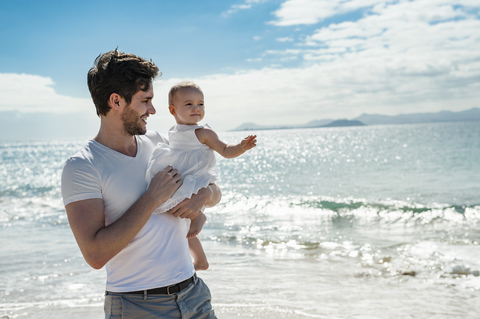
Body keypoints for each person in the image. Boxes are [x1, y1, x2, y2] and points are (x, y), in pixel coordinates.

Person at [61, 49, 221, 319]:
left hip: (194, 296)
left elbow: (215, 189)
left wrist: (201, 198)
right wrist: (151, 198)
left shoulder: (162, 143)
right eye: (145, 100)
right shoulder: (82, 166)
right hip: (138, 306)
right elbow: (95, 255)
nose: (153, 110)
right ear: (116, 101)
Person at [146, 81, 257, 271]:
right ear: (173, 110)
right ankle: (200, 260)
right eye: (189, 104)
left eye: (201, 104)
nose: (196, 108)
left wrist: (241, 147)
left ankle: (199, 217)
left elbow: (225, 150)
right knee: (177, 217)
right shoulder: (174, 131)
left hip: (192, 178)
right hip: (180, 176)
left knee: (180, 213)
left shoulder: (204, 132)